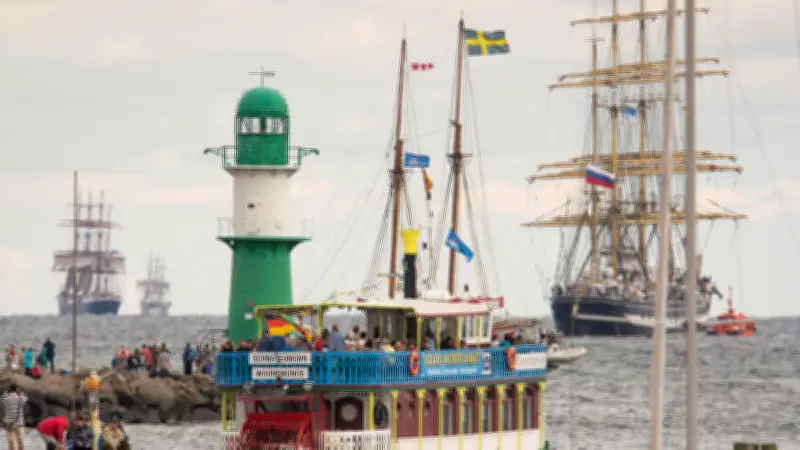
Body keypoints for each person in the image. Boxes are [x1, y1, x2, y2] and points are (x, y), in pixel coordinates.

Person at [2, 382, 27, 450]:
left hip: (9, 423)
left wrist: (6, 391)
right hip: (20, 422)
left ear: (9, 389)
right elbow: (25, 397)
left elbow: (2, 398)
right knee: (20, 441)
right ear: (17, 389)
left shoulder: (6, 398)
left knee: (11, 441)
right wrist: (20, 391)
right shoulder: (21, 398)